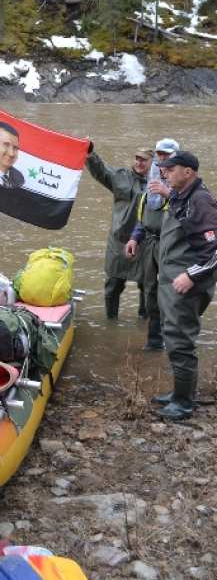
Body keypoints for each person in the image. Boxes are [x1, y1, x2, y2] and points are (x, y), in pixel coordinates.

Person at [150, 151, 217, 421]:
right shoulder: (180, 196)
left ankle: (183, 403)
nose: (165, 172)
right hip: (171, 282)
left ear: (188, 172)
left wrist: (190, 275)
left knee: (180, 342)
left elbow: (214, 251)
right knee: (172, 337)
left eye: (171, 168)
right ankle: (181, 392)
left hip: (186, 286)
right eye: (164, 168)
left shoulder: (201, 201)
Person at [86, 144, 153, 319]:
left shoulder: (158, 182)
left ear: (152, 162)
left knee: (147, 287)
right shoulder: (121, 177)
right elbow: (101, 171)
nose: (139, 162)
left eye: (144, 160)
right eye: (137, 158)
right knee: (113, 285)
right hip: (119, 241)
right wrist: (90, 153)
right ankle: (111, 321)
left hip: (145, 244)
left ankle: (144, 323)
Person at [125, 138, 180, 351]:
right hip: (149, 244)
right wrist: (134, 238)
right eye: (159, 154)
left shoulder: (184, 182)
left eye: (167, 154)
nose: (162, 158)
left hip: (172, 247)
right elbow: (144, 215)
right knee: (150, 291)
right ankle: (155, 340)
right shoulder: (153, 180)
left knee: (172, 292)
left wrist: (169, 194)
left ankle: (175, 339)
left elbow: (194, 211)